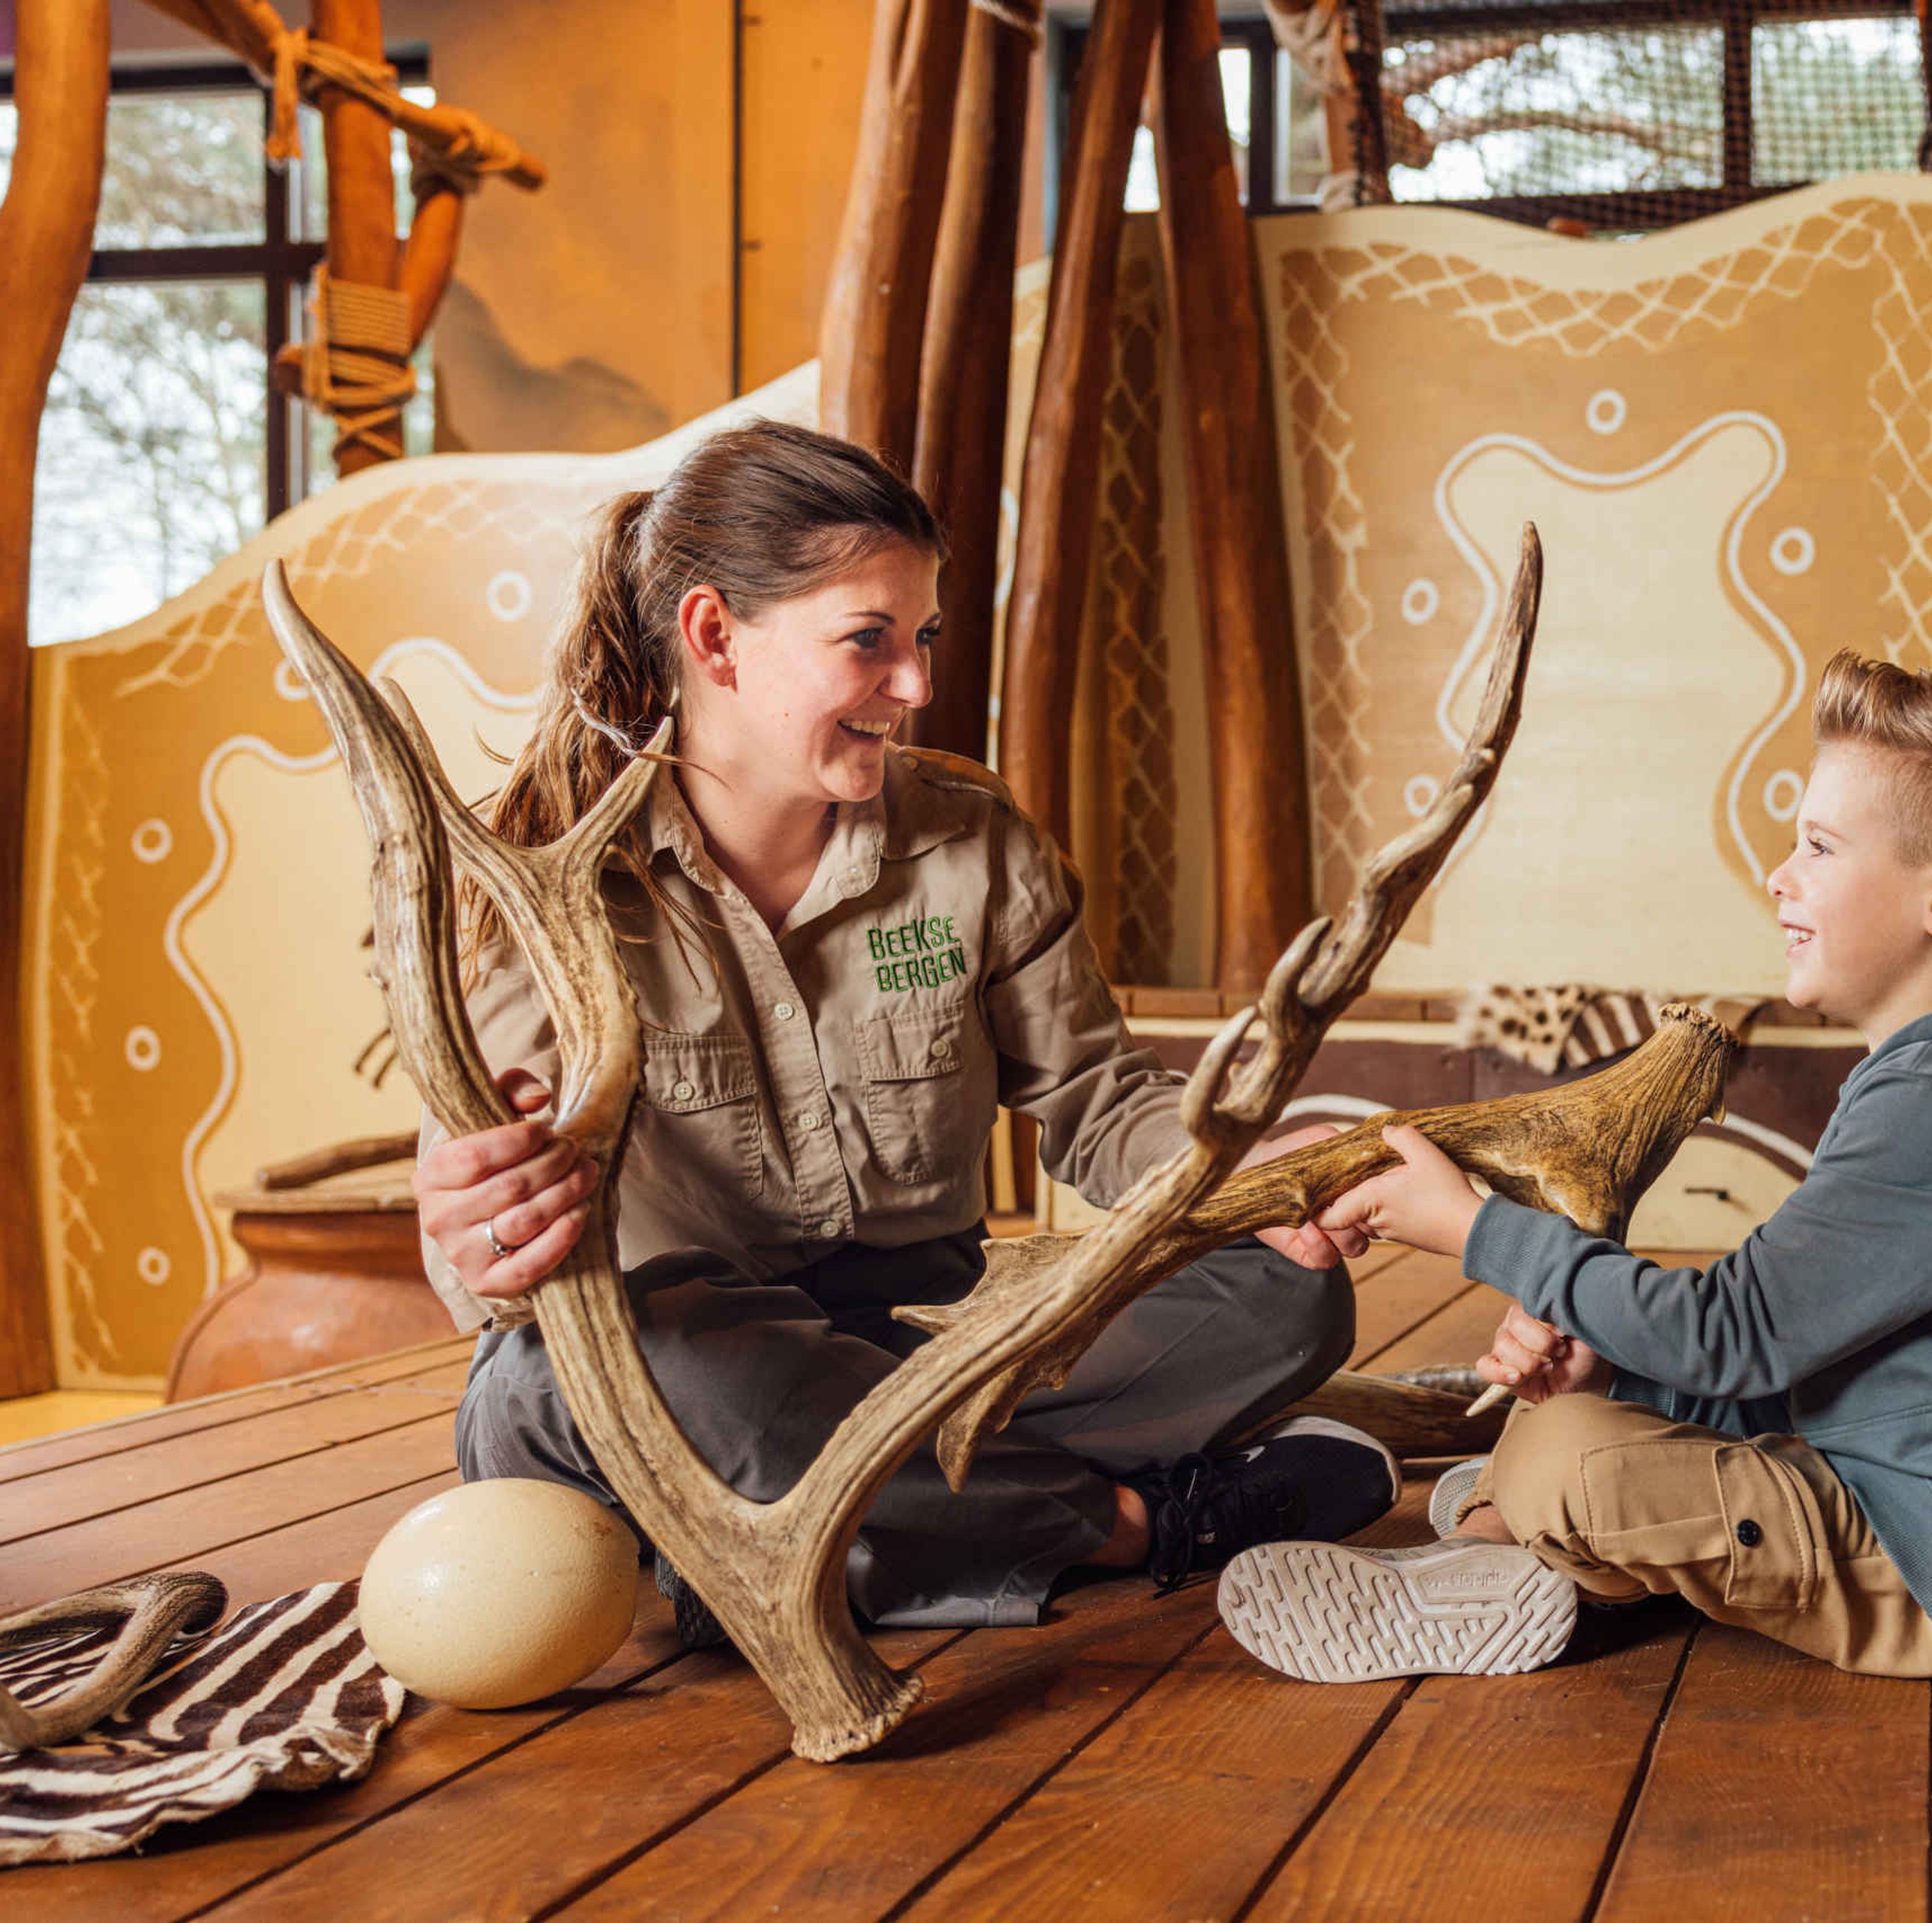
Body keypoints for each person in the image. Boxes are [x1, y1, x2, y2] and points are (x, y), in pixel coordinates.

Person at [410, 420, 1394, 1644]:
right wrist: (485, 1227)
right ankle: (1133, 1526)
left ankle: (774, 1555)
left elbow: (1100, 1106)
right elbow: (488, 1239)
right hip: (692, 1361)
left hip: (935, 1338)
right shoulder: (538, 886)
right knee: (561, 1384)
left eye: (922, 638)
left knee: (1286, 1294)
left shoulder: (975, 840)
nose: (918, 686)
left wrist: (1242, 1180)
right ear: (714, 636)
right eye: (868, 641)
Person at [1213, 651, 1932, 1683]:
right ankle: (1520, 1550)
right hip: (1908, 1497)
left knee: (1560, 1459)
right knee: (1569, 1413)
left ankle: (1514, 1551)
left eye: (1819, 846)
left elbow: (1737, 1336)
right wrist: (1611, 1371)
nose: (1780, 875)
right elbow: (1817, 1360)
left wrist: (1472, 1227)